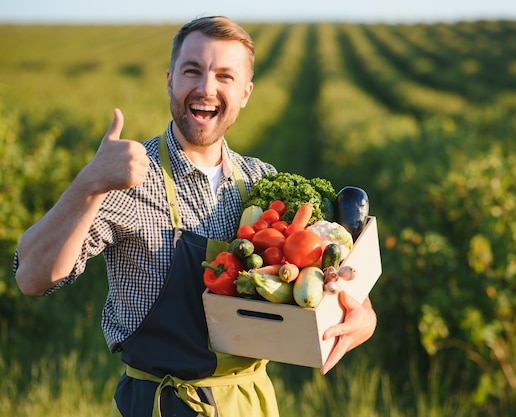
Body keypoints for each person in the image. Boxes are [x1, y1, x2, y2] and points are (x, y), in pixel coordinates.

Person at [13, 15, 377, 417]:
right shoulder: (128, 178)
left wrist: (362, 315)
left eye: (225, 76)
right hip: (162, 404)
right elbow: (31, 278)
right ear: (170, 80)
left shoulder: (262, 180)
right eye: (193, 71)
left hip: (249, 403)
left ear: (245, 93)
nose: (206, 88)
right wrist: (88, 184)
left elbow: (324, 278)